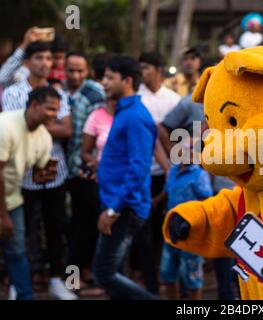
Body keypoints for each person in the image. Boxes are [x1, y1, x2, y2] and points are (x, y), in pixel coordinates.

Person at [1, 41, 75, 300]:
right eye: (39, 58)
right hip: (21, 173)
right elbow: (18, 128)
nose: (45, 63)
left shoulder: (59, 92)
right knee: (23, 232)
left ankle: (56, 280)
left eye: (48, 58)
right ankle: (19, 283)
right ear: (27, 62)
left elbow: (66, 129)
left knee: (55, 227)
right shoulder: (12, 92)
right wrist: (48, 123)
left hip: (55, 170)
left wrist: (39, 123)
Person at [93, 55, 157, 300]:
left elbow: (138, 168)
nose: (104, 83)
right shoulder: (125, 111)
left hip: (124, 207)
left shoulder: (135, 116)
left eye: (110, 77)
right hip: (117, 203)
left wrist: (113, 210)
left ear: (127, 80)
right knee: (115, 274)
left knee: (104, 273)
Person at [0, 86, 60, 300]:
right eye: (50, 109)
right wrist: (3, 215)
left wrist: (46, 174)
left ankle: (25, 296)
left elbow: (37, 174)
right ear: (34, 105)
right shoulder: (6, 125)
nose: (54, 115)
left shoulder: (44, 137)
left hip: (12, 199)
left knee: (16, 252)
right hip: (4, 204)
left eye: (57, 110)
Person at [133, 51, 180, 295]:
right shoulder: (136, 98)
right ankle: (145, 275)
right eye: (140, 67)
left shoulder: (173, 99)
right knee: (143, 226)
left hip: (168, 171)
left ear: (158, 69)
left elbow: (180, 133)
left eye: (147, 67)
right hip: (142, 171)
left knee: (166, 225)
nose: (143, 71)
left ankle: (166, 277)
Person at [63, 52, 105, 295]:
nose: (75, 75)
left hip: (87, 172)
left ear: (87, 70)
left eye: (80, 70)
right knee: (76, 225)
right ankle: (77, 274)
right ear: (64, 70)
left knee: (86, 225)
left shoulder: (94, 93)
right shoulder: (59, 93)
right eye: (71, 70)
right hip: (65, 170)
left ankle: (78, 275)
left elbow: (100, 132)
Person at [159, 136, 212, 299]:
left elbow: (208, 201)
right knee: (168, 273)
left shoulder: (199, 175)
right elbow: (167, 191)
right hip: (171, 227)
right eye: (186, 147)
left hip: (190, 230)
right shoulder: (173, 171)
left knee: (192, 275)